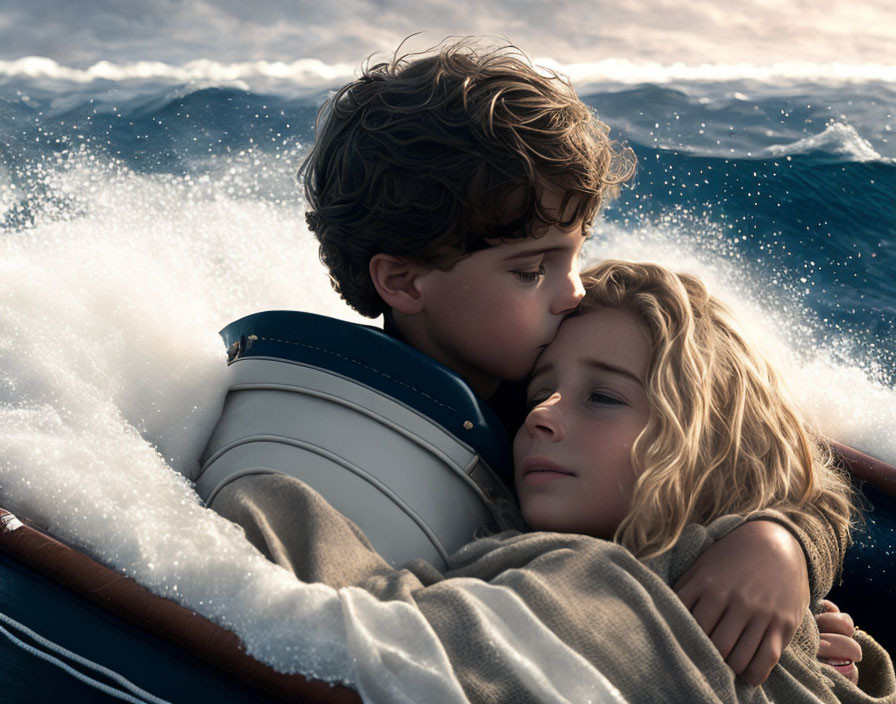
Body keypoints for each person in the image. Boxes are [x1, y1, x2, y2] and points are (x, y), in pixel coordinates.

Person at [209, 38, 837, 686]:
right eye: (533, 270)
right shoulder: (343, 417)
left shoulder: (566, 354)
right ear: (404, 281)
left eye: (575, 253)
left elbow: (769, 463)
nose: (573, 291)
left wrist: (783, 548)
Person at [214, 260, 893, 703]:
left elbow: (394, 644)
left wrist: (264, 491)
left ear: (705, 446)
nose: (543, 416)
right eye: (540, 392)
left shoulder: (609, 593)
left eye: (603, 397)